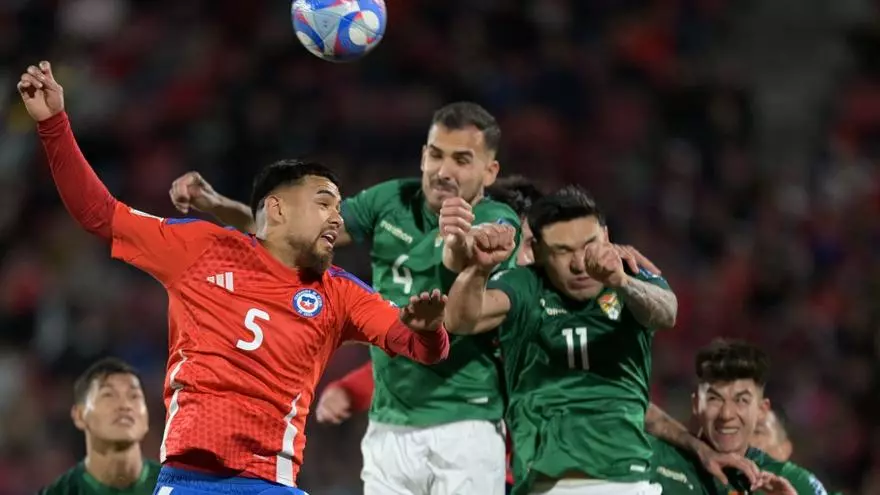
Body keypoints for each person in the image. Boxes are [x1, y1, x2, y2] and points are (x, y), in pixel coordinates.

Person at [18, 61, 450, 494]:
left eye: (338, 208)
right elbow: (100, 214)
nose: (337, 218)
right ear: (277, 208)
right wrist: (54, 124)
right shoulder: (202, 249)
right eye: (324, 202)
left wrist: (430, 328)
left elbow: (420, 347)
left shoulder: (340, 293)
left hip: (270, 483)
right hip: (187, 480)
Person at [168, 102, 527, 495]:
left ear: (490, 171)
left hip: (466, 420)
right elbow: (290, 235)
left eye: (462, 160)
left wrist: (469, 241)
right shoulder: (390, 200)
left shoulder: (498, 217)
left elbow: (469, 251)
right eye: (435, 154)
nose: (443, 171)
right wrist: (217, 204)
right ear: (423, 154)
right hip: (388, 425)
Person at [441, 186, 757, 495]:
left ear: (605, 236)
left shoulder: (631, 275)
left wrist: (621, 282)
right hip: (549, 483)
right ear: (537, 252)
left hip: (630, 481)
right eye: (563, 252)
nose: (580, 263)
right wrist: (479, 270)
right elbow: (460, 319)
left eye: (588, 245)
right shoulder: (525, 286)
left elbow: (666, 313)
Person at [314, 175, 548, 426]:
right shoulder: (471, 297)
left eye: (521, 244)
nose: (506, 253)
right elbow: (425, 365)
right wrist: (352, 390)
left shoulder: (544, 301)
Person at [650, 339, 831, 495]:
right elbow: (626, 406)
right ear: (697, 404)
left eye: (741, 400)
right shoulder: (658, 460)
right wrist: (696, 447)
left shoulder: (794, 481)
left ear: (762, 410)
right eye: (714, 399)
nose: (726, 414)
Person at [39, 358, 161, 495]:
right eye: (108, 395)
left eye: (134, 396)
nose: (124, 405)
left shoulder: (177, 488)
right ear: (79, 415)